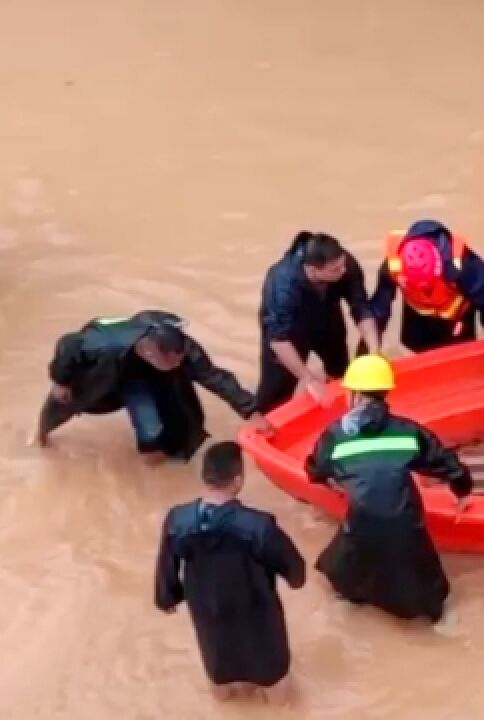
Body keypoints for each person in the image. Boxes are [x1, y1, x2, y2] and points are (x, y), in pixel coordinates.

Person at [304, 354, 473, 622]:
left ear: (355, 395)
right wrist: (462, 491)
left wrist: (332, 480)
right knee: (426, 587)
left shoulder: (336, 435)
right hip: (405, 520)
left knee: (341, 573)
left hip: (362, 520)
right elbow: (447, 464)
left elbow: (315, 469)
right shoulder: (407, 431)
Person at [154, 441, 306, 701]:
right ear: (238, 480)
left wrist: (167, 597)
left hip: (208, 610)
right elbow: (295, 570)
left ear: (204, 477)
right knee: (274, 680)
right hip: (255, 611)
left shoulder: (177, 520)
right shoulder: (259, 526)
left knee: (220, 673)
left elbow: (167, 566)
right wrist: (294, 579)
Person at [34, 311, 272, 463]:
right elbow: (68, 345)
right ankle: (39, 437)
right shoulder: (104, 345)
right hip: (107, 373)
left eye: (180, 360)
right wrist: (61, 380)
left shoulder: (179, 347)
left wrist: (250, 411)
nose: (180, 365)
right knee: (57, 408)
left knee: (153, 428)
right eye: (173, 362)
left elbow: (214, 377)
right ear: (150, 351)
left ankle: (154, 472)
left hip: (143, 380)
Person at [256, 231, 380, 415]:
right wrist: (309, 379)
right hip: (290, 333)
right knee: (275, 394)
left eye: (342, 264)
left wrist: (375, 350)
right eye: (335, 270)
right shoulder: (282, 284)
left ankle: (337, 410)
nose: (343, 271)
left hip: (327, 318)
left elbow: (360, 307)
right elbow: (278, 339)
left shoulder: (344, 264)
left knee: (340, 372)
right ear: (312, 269)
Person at [368, 219, 484, 357]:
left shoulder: (464, 267)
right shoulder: (394, 265)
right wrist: (367, 353)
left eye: (427, 285)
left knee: (458, 356)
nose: (423, 288)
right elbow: (379, 310)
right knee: (417, 351)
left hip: (454, 317)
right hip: (418, 316)